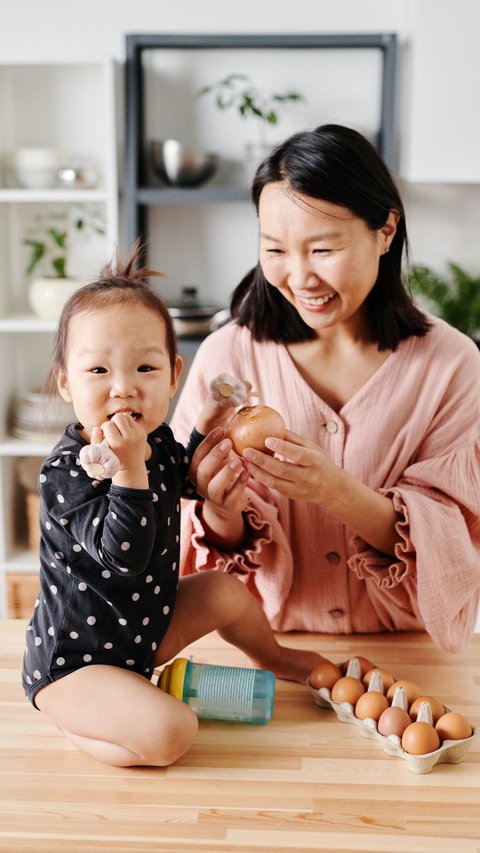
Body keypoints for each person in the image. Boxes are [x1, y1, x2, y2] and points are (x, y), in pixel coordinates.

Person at [170, 124, 480, 655]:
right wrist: (220, 507)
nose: (299, 277)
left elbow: (450, 534)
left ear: (385, 230)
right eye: (275, 249)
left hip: (409, 649)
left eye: (322, 249)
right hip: (262, 647)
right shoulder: (228, 359)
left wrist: (332, 489)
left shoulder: (451, 365)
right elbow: (189, 530)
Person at [22, 248, 325, 767]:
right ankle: (68, 713)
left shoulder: (154, 441)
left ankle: (273, 657)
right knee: (173, 733)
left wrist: (210, 420)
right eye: (98, 369)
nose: (124, 387)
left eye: (145, 366)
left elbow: (183, 480)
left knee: (225, 589)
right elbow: (125, 554)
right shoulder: (68, 471)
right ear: (66, 382)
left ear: (172, 375)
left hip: (144, 629)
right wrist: (128, 470)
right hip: (78, 662)